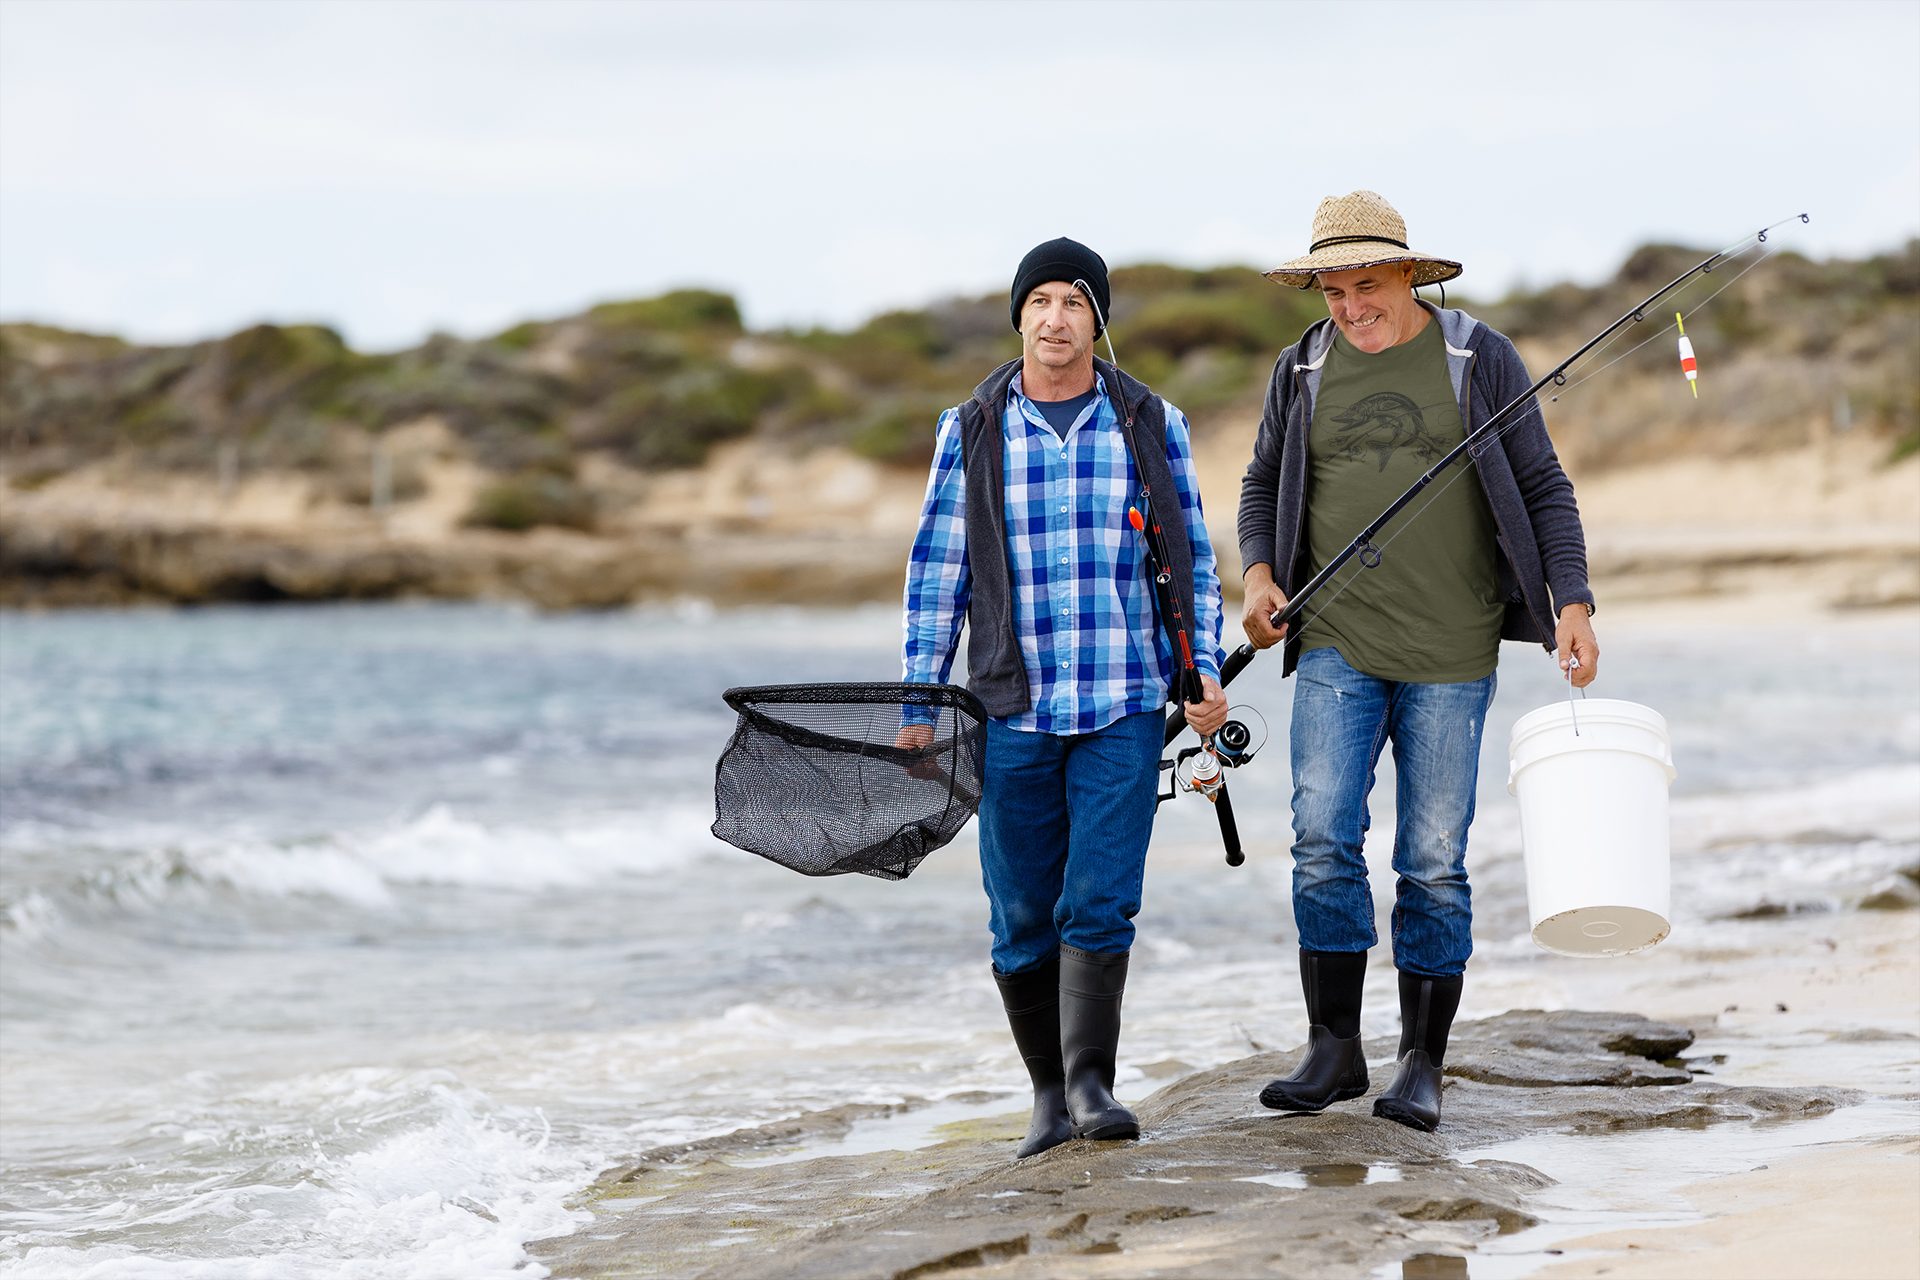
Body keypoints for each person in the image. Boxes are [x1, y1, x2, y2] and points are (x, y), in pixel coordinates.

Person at [1237, 192, 1600, 1132]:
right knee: (1321, 837)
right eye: (1333, 290)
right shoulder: (1300, 367)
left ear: (1408, 275)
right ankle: (1333, 1049)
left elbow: (1542, 486)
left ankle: (1422, 1063)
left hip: (1451, 649)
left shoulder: (1477, 357)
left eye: (1368, 285)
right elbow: (1263, 479)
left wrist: (1571, 601)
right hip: (1334, 646)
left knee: (1433, 860)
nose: (1352, 306)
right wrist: (1260, 574)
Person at [895, 237, 1227, 1157]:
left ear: (1097, 321)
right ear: (1019, 317)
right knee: (1021, 912)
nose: (1055, 319)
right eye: (1040, 301)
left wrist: (1198, 672)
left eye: (1074, 303)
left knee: (1101, 902)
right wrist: (921, 701)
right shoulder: (969, 427)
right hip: (1011, 708)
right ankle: (1046, 1095)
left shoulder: (1150, 420)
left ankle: (1092, 1084)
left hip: (1123, 703)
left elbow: (1191, 559)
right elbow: (937, 575)